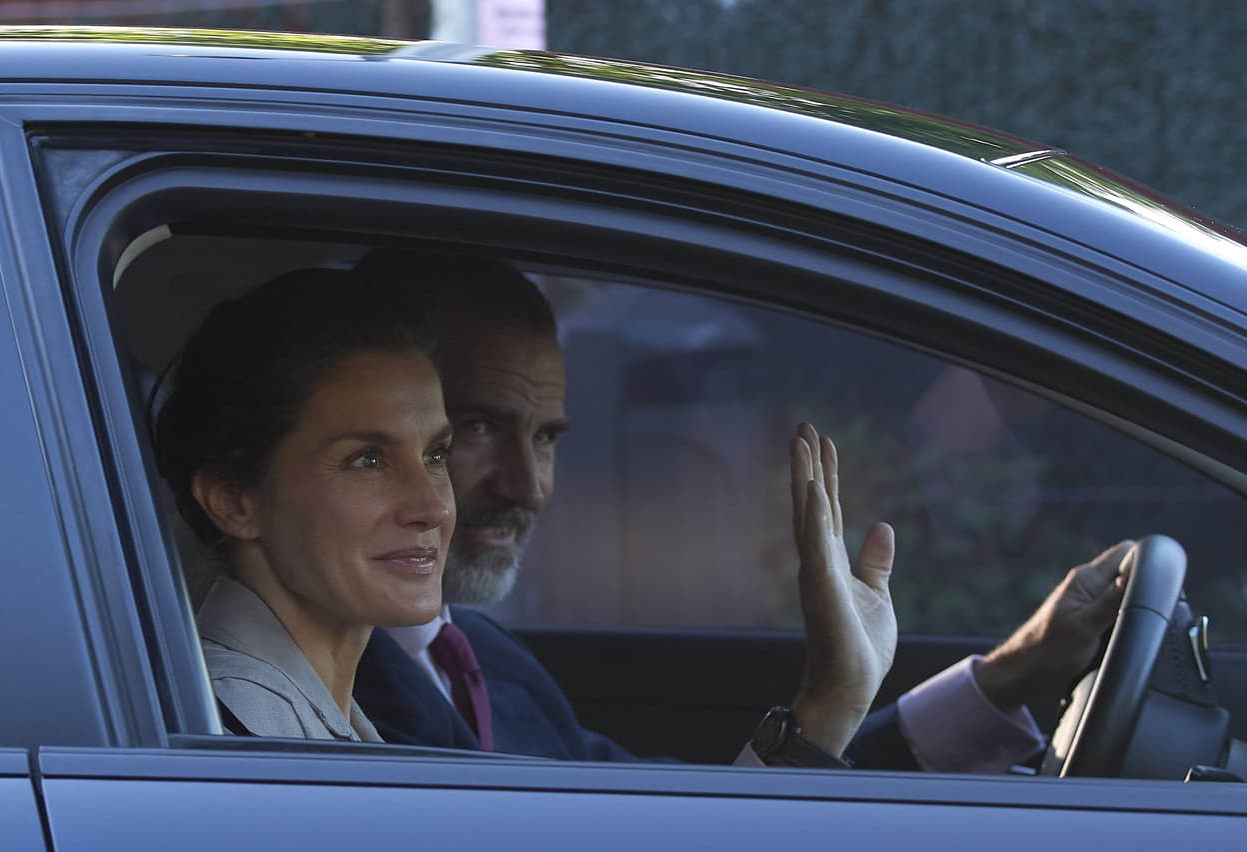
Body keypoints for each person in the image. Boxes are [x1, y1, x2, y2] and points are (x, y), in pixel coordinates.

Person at [351, 249, 1129, 770]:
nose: (528, 486)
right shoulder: (337, 695)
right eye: (478, 427)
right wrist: (828, 702)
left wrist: (1009, 674)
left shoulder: (484, 657)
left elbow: (688, 819)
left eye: (548, 437)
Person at [154, 268, 457, 741]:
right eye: (368, 460)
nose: (432, 507)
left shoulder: (304, 717)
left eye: (435, 456)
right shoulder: (230, 731)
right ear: (234, 500)